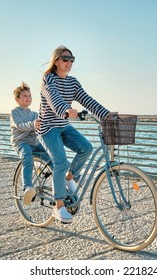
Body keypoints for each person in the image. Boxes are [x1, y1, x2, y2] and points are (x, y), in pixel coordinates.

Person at [38, 45, 117, 224]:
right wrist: (65, 109)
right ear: (56, 61)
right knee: (61, 161)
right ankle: (58, 206)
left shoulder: (72, 82)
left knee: (86, 148)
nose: (69, 63)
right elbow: (53, 98)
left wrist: (106, 114)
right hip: (48, 127)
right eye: (65, 59)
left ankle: (69, 178)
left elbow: (87, 99)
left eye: (72, 60)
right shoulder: (47, 79)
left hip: (63, 126)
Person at [10, 82, 51, 206]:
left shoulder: (34, 114)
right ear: (17, 99)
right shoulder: (15, 112)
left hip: (34, 141)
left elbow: (41, 126)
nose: (28, 98)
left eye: (29, 95)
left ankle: (60, 180)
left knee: (50, 157)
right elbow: (20, 126)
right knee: (27, 157)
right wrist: (33, 125)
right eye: (24, 96)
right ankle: (27, 187)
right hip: (21, 142)